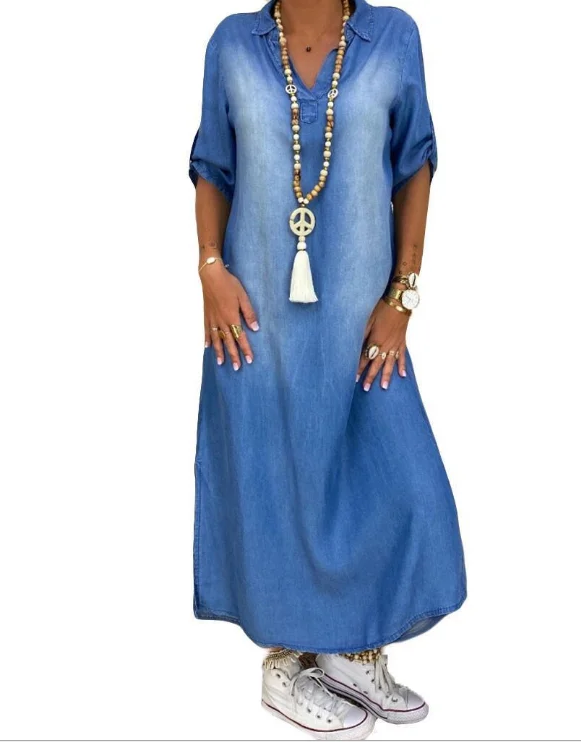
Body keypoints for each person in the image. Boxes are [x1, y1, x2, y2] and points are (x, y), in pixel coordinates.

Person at [189, 0, 466, 737]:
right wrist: (210, 268)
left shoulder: (391, 37)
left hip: (363, 322)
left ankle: (349, 648)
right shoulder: (234, 43)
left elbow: (416, 164)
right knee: (275, 482)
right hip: (255, 323)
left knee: (397, 481)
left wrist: (402, 293)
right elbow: (211, 164)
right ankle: (285, 665)